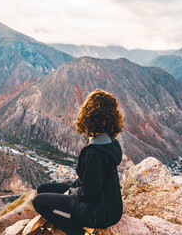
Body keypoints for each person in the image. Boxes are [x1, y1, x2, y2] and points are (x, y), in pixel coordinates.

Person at [33, 89, 124, 235]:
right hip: (109, 205)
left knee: (38, 202)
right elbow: (90, 181)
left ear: (90, 116)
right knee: (43, 189)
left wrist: (71, 192)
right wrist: (72, 189)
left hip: (98, 213)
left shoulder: (95, 153)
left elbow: (88, 194)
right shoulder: (110, 142)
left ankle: (79, 232)